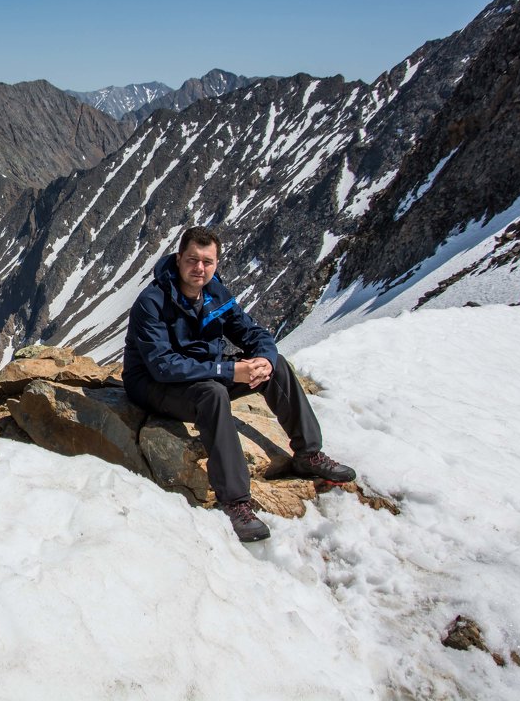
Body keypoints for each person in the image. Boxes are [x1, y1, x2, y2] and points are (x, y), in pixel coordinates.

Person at [123, 225, 355, 542]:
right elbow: (163, 366)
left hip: (201, 372)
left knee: (278, 367)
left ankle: (308, 454)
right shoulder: (152, 302)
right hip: (151, 384)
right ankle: (236, 501)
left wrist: (264, 359)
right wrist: (230, 371)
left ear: (216, 264)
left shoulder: (216, 294)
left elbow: (252, 332)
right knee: (213, 392)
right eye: (192, 260)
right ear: (179, 259)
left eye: (207, 262)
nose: (199, 268)